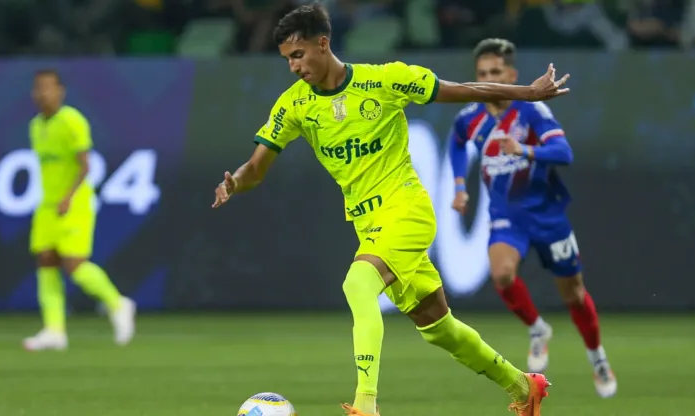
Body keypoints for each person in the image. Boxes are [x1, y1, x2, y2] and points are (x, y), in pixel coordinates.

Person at [212, 4, 570, 415]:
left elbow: (464, 90)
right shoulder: (294, 106)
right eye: (287, 60)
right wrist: (236, 182)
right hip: (369, 224)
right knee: (440, 329)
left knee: (358, 283)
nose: (293, 67)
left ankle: (366, 405)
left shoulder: (384, 80)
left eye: (298, 55)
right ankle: (524, 386)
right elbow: (257, 166)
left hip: (406, 209)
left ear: (322, 44)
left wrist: (528, 92)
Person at [449, 38, 616, 398]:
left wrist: (523, 149)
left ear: (512, 74)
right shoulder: (471, 116)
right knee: (502, 273)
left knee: (573, 294)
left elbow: (563, 152)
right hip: (506, 214)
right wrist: (460, 185)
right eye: (482, 73)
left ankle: (597, 355)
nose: (489, 79)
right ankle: (538, 328)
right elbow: (456, 142)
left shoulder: (532, 112)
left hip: (547, 215)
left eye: (496, 72)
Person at [23, 69, 136, 351]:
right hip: (47, 204)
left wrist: (68, 197)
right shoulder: (36, 126)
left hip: (74, 203)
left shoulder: (72, 120)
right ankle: (54, 330)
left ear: (60, 91)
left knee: (74, 265)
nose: (43, 94)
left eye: (48, 88)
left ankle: (118, 303)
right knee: (46, 261)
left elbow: (85, 165)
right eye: (38, 88)